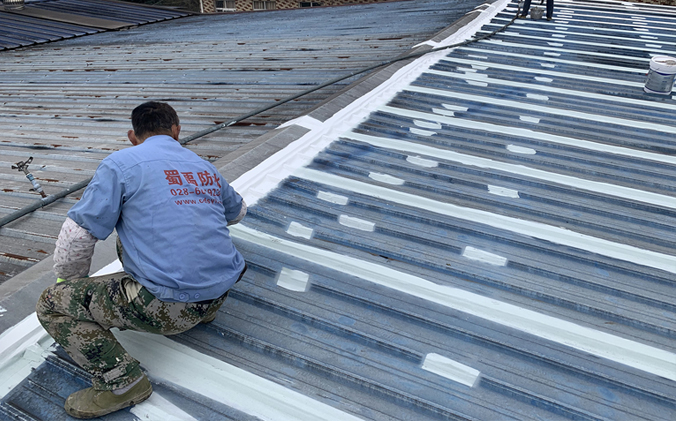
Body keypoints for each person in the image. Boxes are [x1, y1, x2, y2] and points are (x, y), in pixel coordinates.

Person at [36, 101, 247, 419]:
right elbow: (238, 212)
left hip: (170, 310)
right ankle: (204, 312)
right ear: (176, 131)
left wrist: (70, 285)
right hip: (219, 292)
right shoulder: (203, 166)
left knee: (51, 303)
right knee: (134, 234)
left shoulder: (119, 164)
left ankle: (122, 383)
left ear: (133, 136)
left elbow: (77, 236)